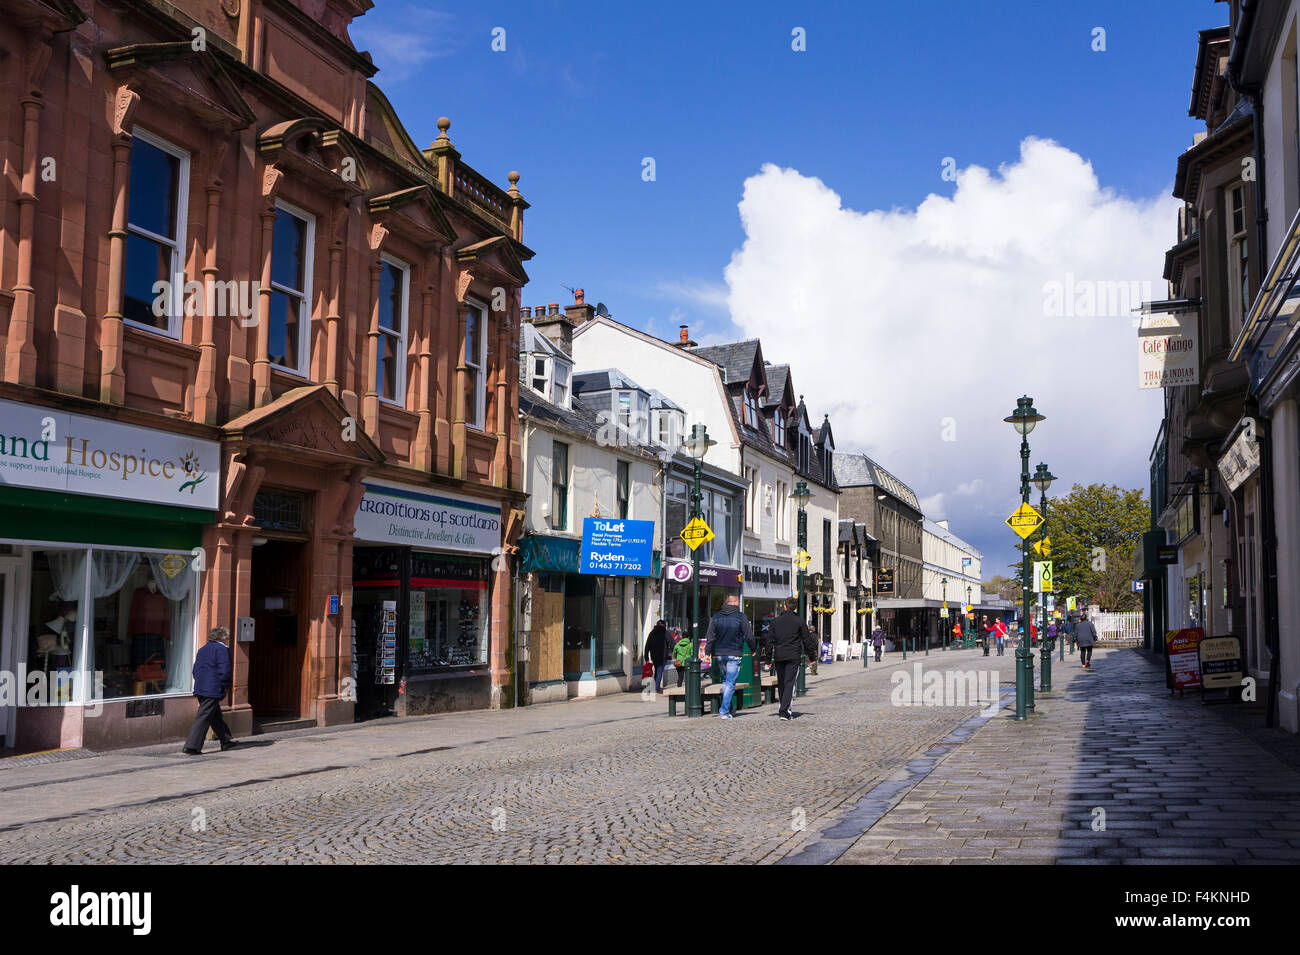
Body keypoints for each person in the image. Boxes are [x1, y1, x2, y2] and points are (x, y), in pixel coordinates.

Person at [183, 626, 236, 755]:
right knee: (204, 716)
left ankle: (226, 740)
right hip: (213, 687)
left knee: (214, 714)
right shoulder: (222, 649)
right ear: (223, 637)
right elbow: (225, 670)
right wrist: (225, 685)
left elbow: (195, 669)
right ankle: (192, 746)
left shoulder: (203, 649)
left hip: (201, 687)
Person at [703, 594, 757, 719]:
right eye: (738, 601)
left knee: (726, 681)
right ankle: (724, 711)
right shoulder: (740, 617)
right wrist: (753, 648)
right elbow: (749, 635)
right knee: (730, 683)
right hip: (734, 653)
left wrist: (707, 652)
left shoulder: (716, 617)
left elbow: (710, 636)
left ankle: (730, 708)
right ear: (734, 602)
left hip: (720, 654)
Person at [769, 596, 819, 721]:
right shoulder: (799, 621)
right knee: (789, 683)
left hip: (780, 655)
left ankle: (783, 707)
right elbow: (806, 640)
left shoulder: (775, 621)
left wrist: (768, 659)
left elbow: (769, 641)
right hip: (793, 655)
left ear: (785, 606)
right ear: (794, 607)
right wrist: (812, 657)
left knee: (782, 682)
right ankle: (784, 710)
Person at [644, 619, 671, 693]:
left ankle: (656, 686)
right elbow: (671, 643)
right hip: (662, 656)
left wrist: (646, 657)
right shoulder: (665, 633)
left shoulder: (652, 633)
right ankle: (656, 688)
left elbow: (647, 646)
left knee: (657, 670)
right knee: (659, 671)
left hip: (654, 656)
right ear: (664, 625)